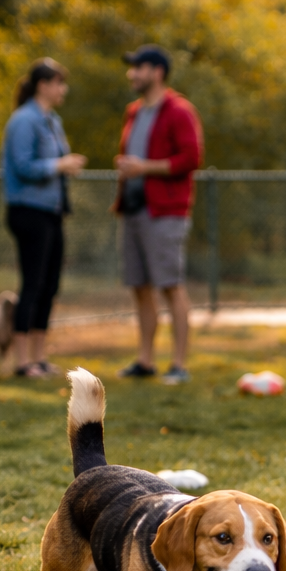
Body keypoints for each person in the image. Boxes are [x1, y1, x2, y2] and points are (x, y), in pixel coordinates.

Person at [114, 44, 203, 385]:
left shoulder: (179, 111)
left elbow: (190, 158)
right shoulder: (134, 112)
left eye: (138, 67)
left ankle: (179, 363)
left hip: (165, 212)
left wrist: (144, 168)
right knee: (139, 287)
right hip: (134, 210)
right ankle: (145, 360)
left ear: (157, 71)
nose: (131, 73)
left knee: (170, 286)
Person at [1, 58, 86, 378]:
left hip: (52, 212)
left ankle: (38, 357)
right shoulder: (24, 120)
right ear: (43, 85)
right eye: (59, 82)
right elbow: (23, 166)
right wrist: (58, 166)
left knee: (50, 284)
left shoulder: (53, 120)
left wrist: (66, 166)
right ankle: (22, 361)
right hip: (28, 211)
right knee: (33, 283)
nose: (63, 89)